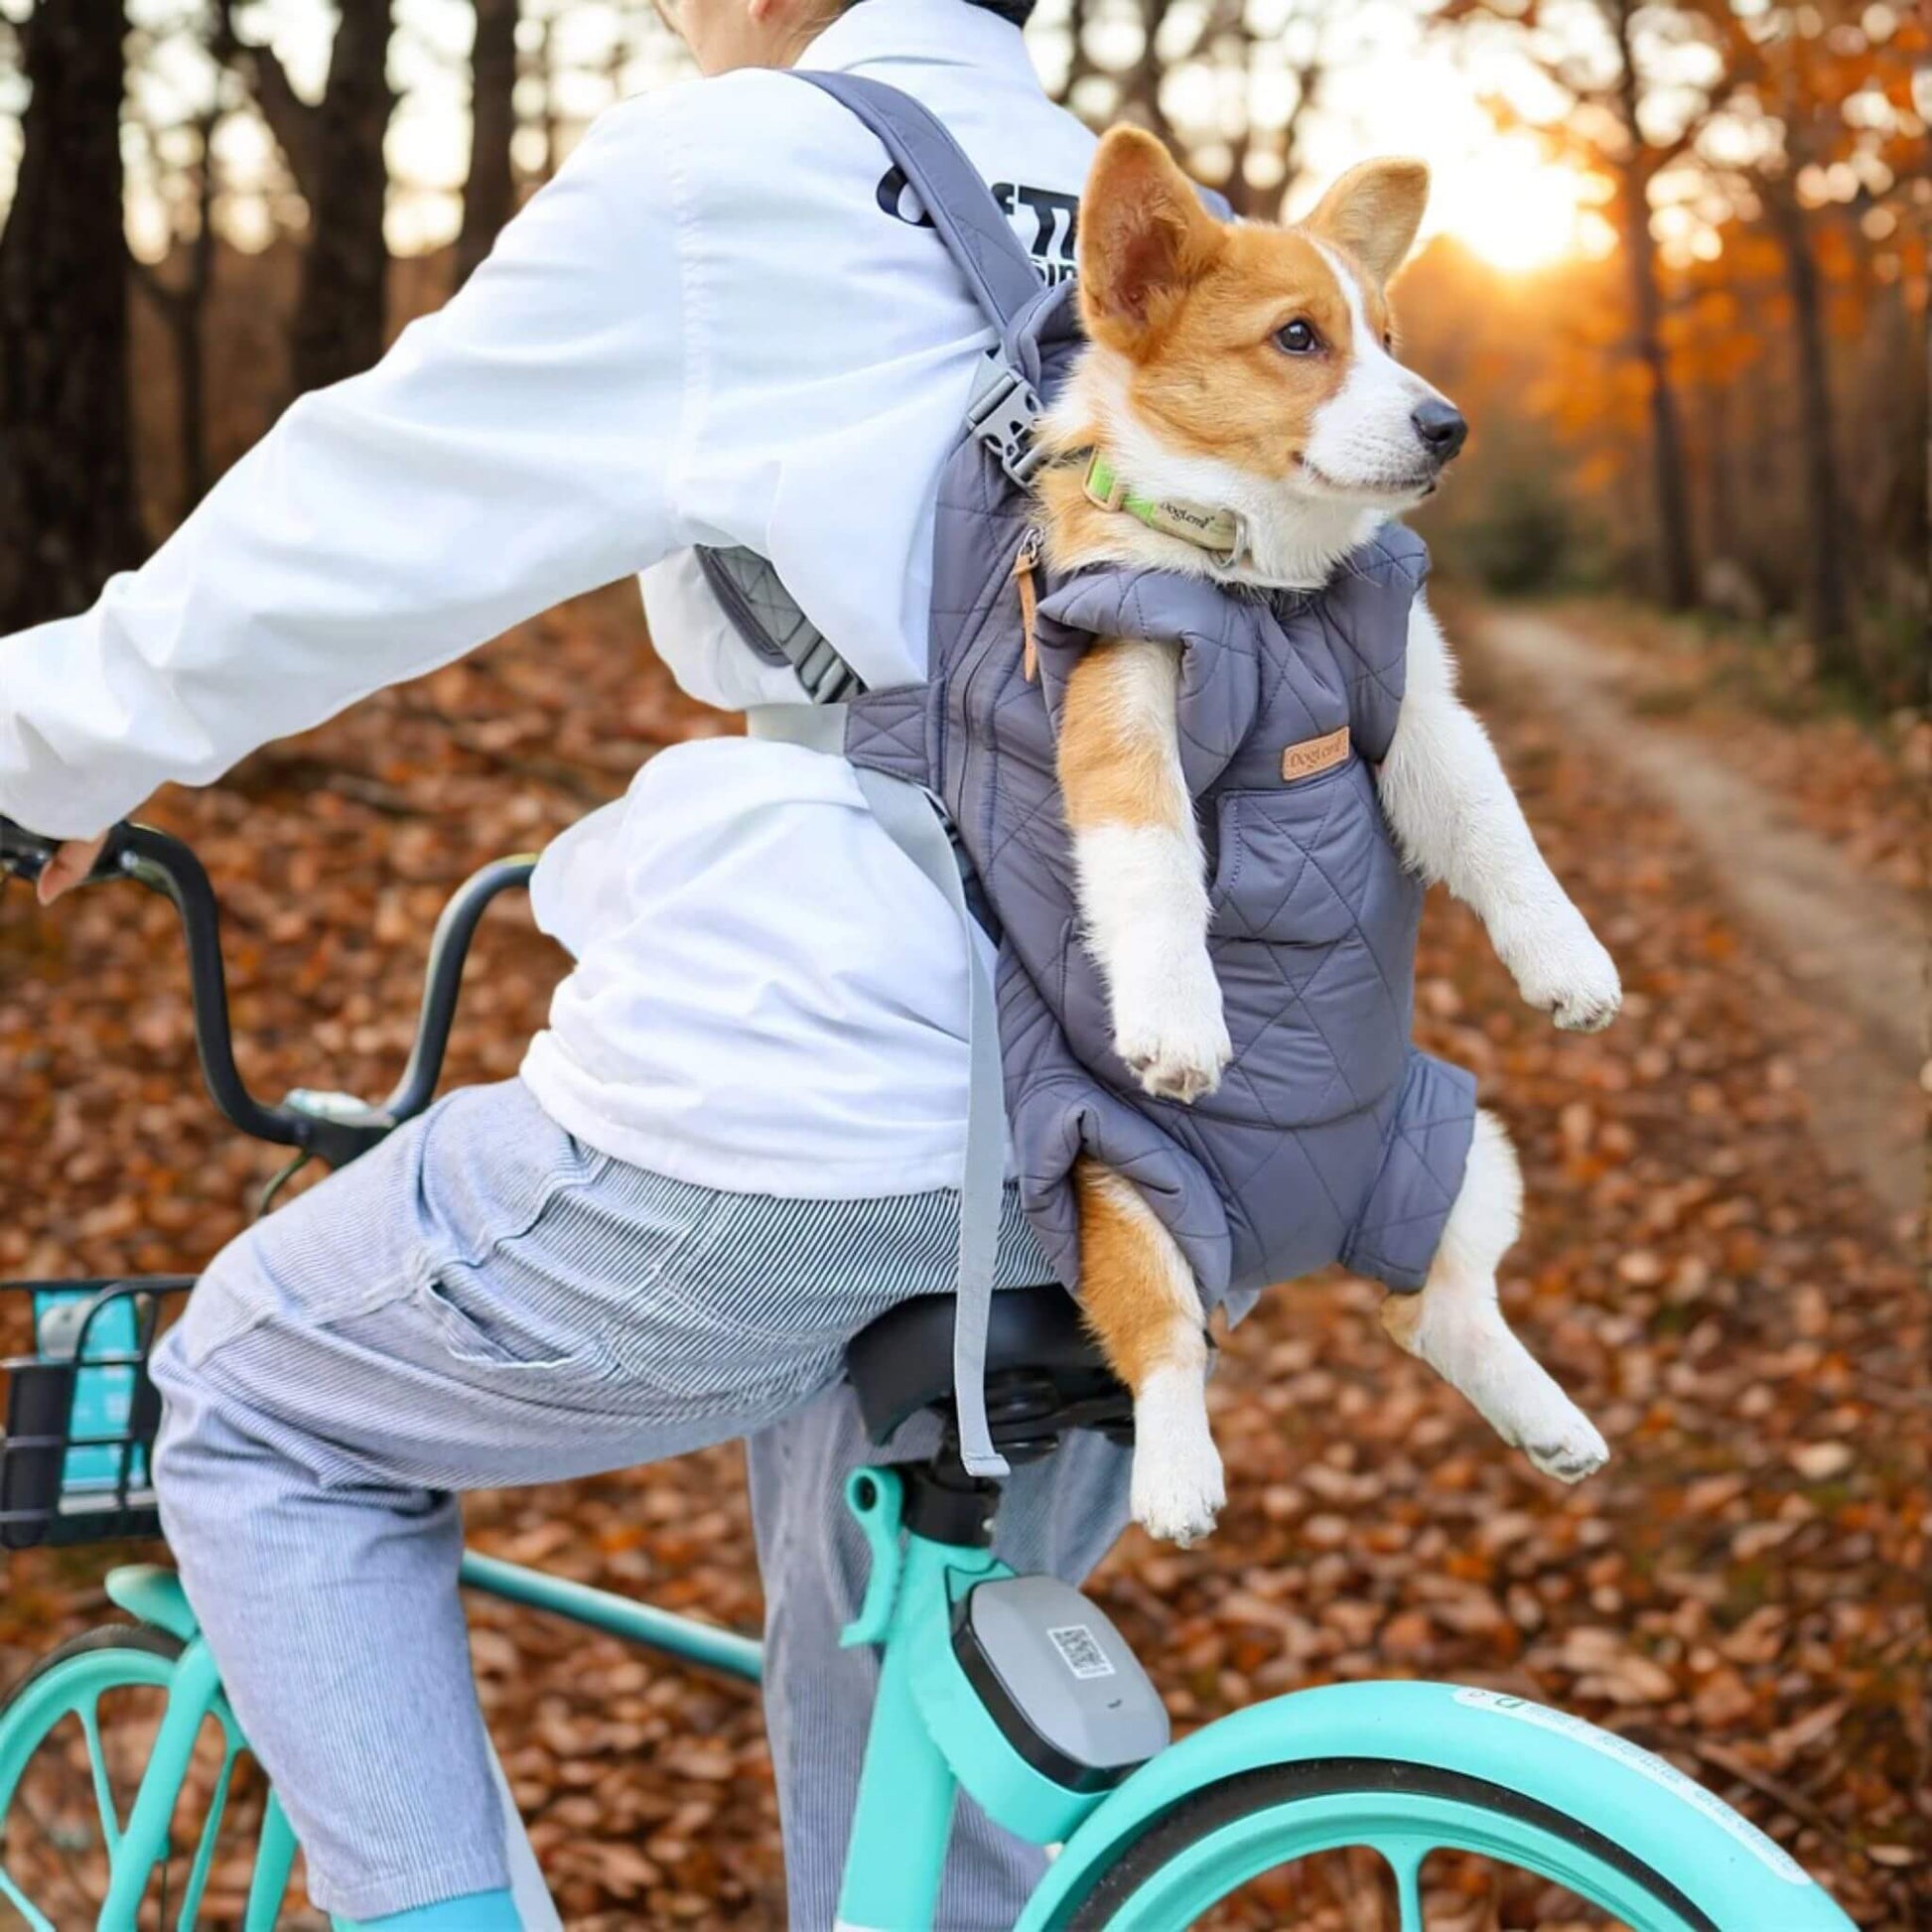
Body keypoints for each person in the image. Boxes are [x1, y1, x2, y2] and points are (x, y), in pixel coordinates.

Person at [0, 2, 1129, 1926]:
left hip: (833, 1070)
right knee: (905, 1699)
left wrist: (40, 751)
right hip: (1157, 1131)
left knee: (267, 1403)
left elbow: (354, 520)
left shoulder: (743, 172)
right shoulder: (1134, 216)